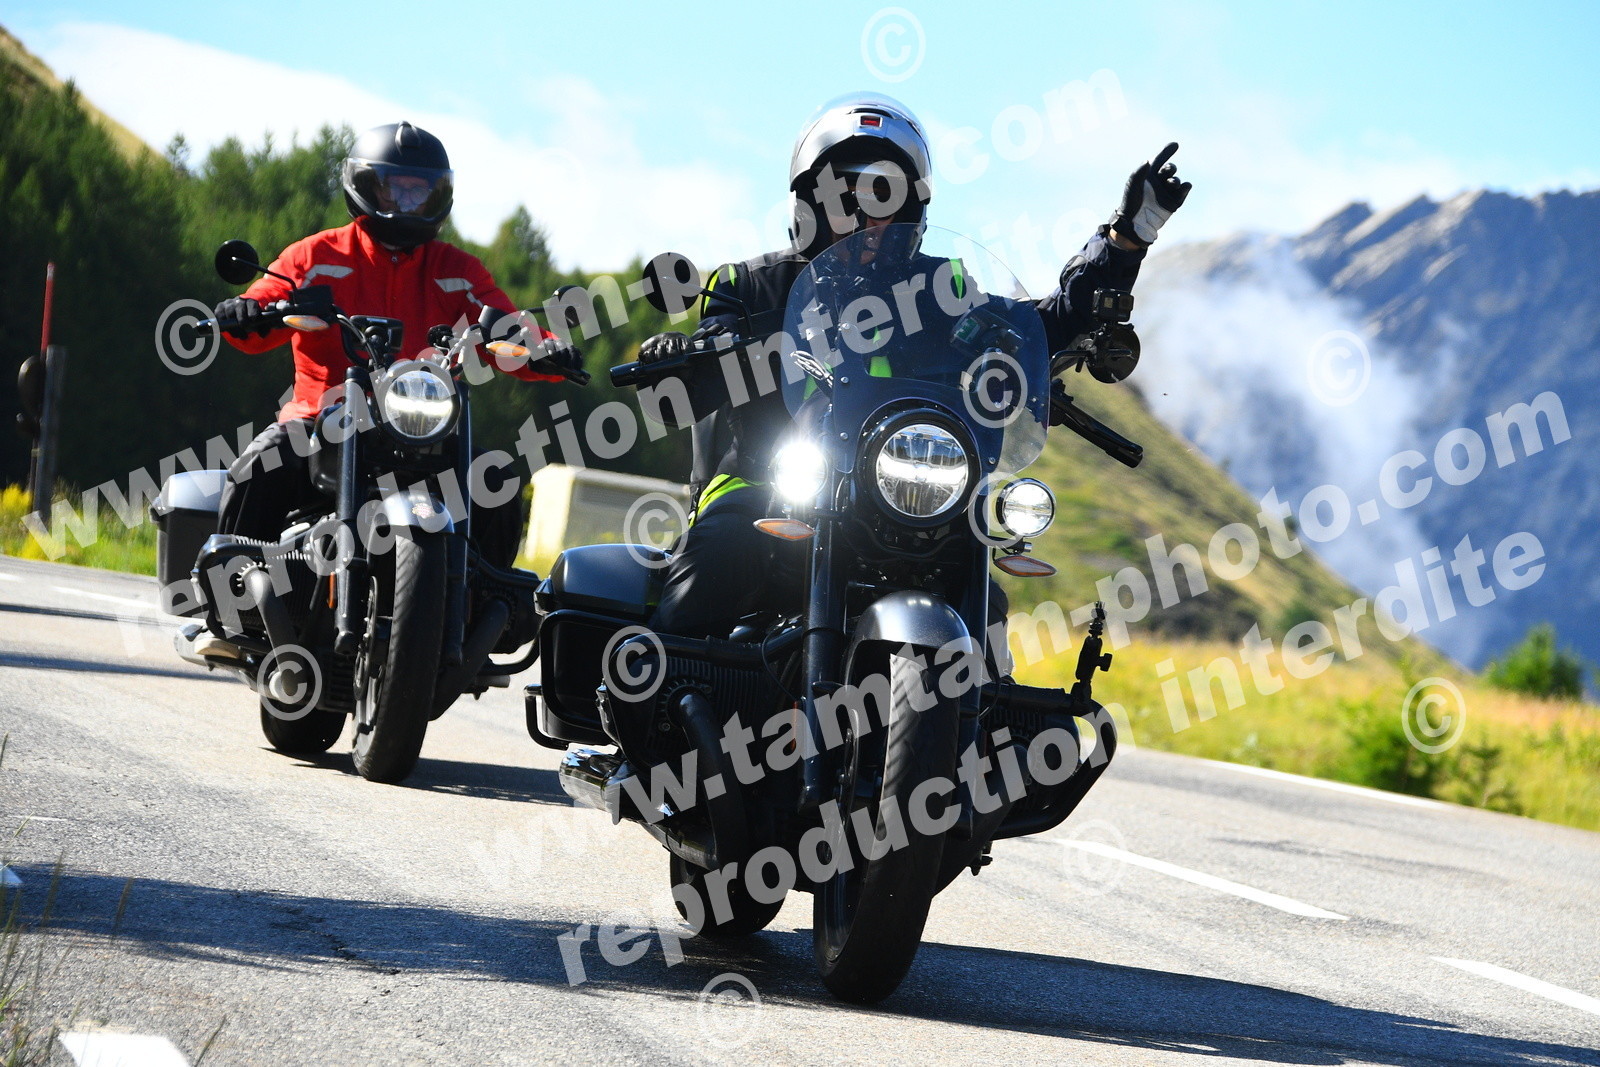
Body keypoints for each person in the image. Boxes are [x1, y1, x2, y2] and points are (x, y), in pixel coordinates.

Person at [637, 94, 1190, 639]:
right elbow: (705, 355)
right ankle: (655, 679)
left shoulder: (941, 289)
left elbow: (1040, 327)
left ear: (909, 210)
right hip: (767, 482)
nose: (862, 216)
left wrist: (1125, 240)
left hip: (899, 498)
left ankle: (988, 701)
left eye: (882, 197)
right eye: (843, 196)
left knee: (983, 608)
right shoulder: (751, 284)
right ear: (809, 203)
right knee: (720, 557)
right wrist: (686, 357)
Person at [211, 120, 582, 569]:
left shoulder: (458, 270)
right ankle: (231, 589)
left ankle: (482, 598)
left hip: (422, 430)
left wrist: (546, 348)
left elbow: (503, 323)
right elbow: (268, 299)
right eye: (394, 189)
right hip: (319, 419)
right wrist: (245, 310)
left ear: (437, 196)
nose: (407, 201)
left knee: (496, 482)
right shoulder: (317, 256)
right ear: (367, 187)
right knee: (262, 463)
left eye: (418, 191)